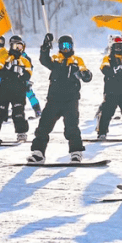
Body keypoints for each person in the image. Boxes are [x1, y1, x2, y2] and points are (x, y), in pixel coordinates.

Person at [28, 34, 92, 163]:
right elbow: (44, 60)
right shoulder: (56, 60)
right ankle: (38, 153)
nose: (65, 49)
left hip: (70, 100)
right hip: (54, 99)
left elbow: (86, 74)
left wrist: (85, 74)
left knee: (72, 127)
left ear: (72, 46)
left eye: (68, 46)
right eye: (63, 46)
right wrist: (45, 47)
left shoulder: (76, 60)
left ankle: (76, 153)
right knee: (43, 126)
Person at [0, 35, 32, 143]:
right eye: (16, 46)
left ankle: (21, 133)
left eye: (20, 46)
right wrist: (8, 68)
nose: (18, 49)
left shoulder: (25, 60)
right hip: (5, 89)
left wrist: (21, 72)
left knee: (18, 111)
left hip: (19, 90)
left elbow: (28, 75)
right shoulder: (5, 57)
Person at [96, 36, 122, 139]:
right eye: (116, 46)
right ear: (112, 47)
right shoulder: (108, 58)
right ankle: (102, 133)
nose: (118, 48)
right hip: (111, 91)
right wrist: (113, 70)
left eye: (120, 46)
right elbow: (104, 68)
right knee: (106, 112)